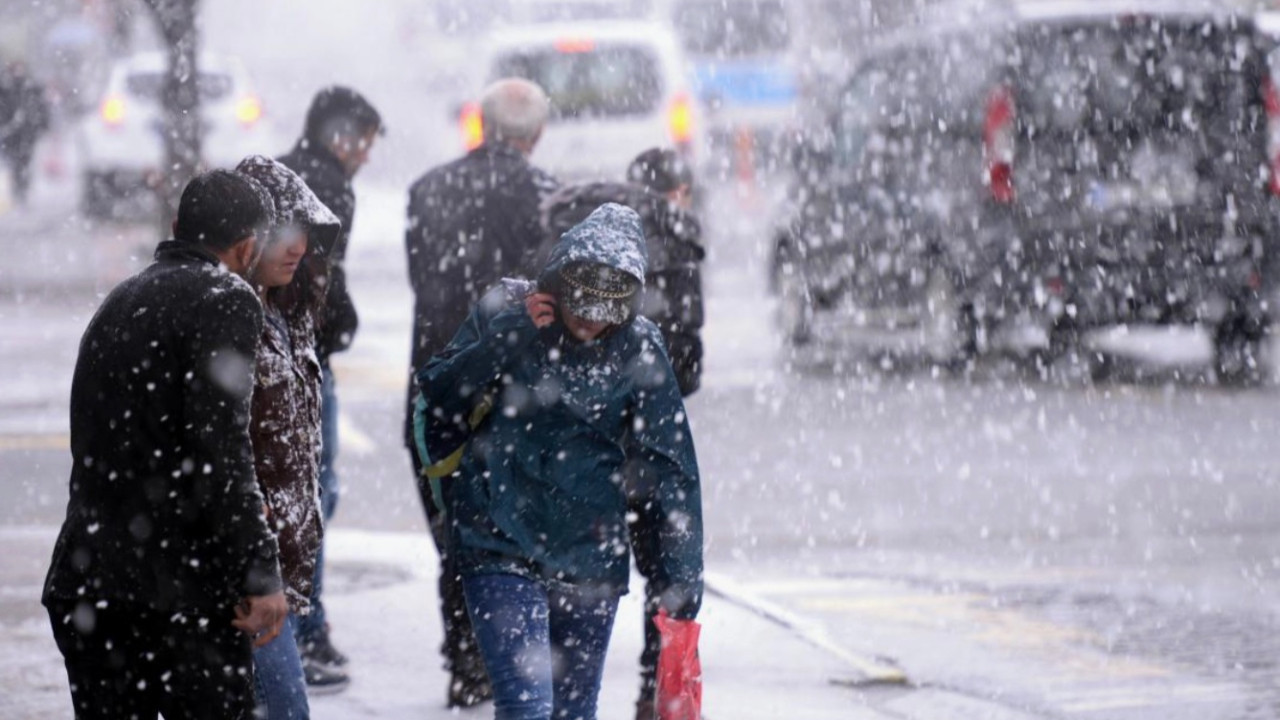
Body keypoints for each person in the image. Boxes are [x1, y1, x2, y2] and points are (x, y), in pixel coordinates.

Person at [412, 203, 704, 720]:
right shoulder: (508, 308)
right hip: (498, 542)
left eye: (605, 314)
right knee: (526, 708)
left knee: (573, 713)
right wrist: (510, 333)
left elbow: (671, 472)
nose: (590, 324)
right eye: (581, 307)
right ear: (560, 281)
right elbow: (439, 394)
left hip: (589, 556)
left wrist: (681, 587)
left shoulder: (640, 346)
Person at [42, 170, 287, 720]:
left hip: (91, 581)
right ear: (248, 245)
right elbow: (220, 450)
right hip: (175, 595)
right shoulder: (226, 298)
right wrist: (259, 571)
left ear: (177, 227)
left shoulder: (120, 299)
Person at [403, 76, 559, 708]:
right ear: (537, 133)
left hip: (436, 383)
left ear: (482, 125)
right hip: (513, 390)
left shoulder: (427, 190)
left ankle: (466, 660)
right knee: (515, 536)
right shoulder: (547, 198)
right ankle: (511, 663)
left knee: (452, 527)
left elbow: (424, 279)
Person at [541, 147, 706, 720]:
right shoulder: (677, 238)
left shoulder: (569, 227)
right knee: (662, 561)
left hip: (573, 456)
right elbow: (688, 350)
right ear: (676, 192)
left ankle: (510, 667)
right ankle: (651, 680)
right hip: (642, 442)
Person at [277, 85, 382, 685]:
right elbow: (323, 280)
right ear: (339, 135)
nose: (365, 155)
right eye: (362, 142)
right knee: (314, 495)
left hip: (283, 350)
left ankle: (304, 631)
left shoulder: (286, 172)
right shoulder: (327, 185)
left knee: (298, 494)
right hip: (305, 357)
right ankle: (301, 635)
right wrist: (342, 327)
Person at [236, 155, 345, 713]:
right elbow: (225, 456)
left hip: (276, 574)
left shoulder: (290, 313)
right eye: (282, 230)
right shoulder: (230, 319)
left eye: (304, 230)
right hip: (247, 576)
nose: (298, 245)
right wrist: (254, 561)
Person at [0, 61, 51, 205]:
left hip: (26, 134)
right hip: (13, 134)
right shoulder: (7, 89)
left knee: (24, 162)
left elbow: (41, 109)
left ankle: (22, 189)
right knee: (16, 163)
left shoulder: (30, 88)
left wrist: (42, 126)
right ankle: (19, 189)